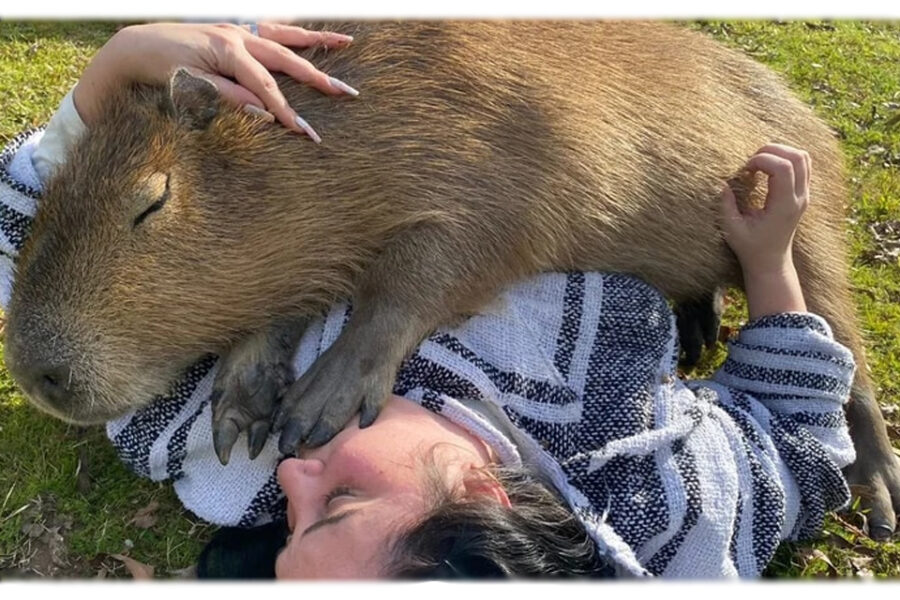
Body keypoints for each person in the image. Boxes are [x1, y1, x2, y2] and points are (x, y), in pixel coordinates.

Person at [0, 22, 856, 579]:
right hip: (709, 161)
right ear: (483, 499)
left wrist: (111, 70)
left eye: (286, 532)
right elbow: (789, 440)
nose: (297, 474)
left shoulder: (235, 468)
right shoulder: (658, 510)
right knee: (787, 207)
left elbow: (306, 243)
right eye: (333, 505)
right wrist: (773, 265)